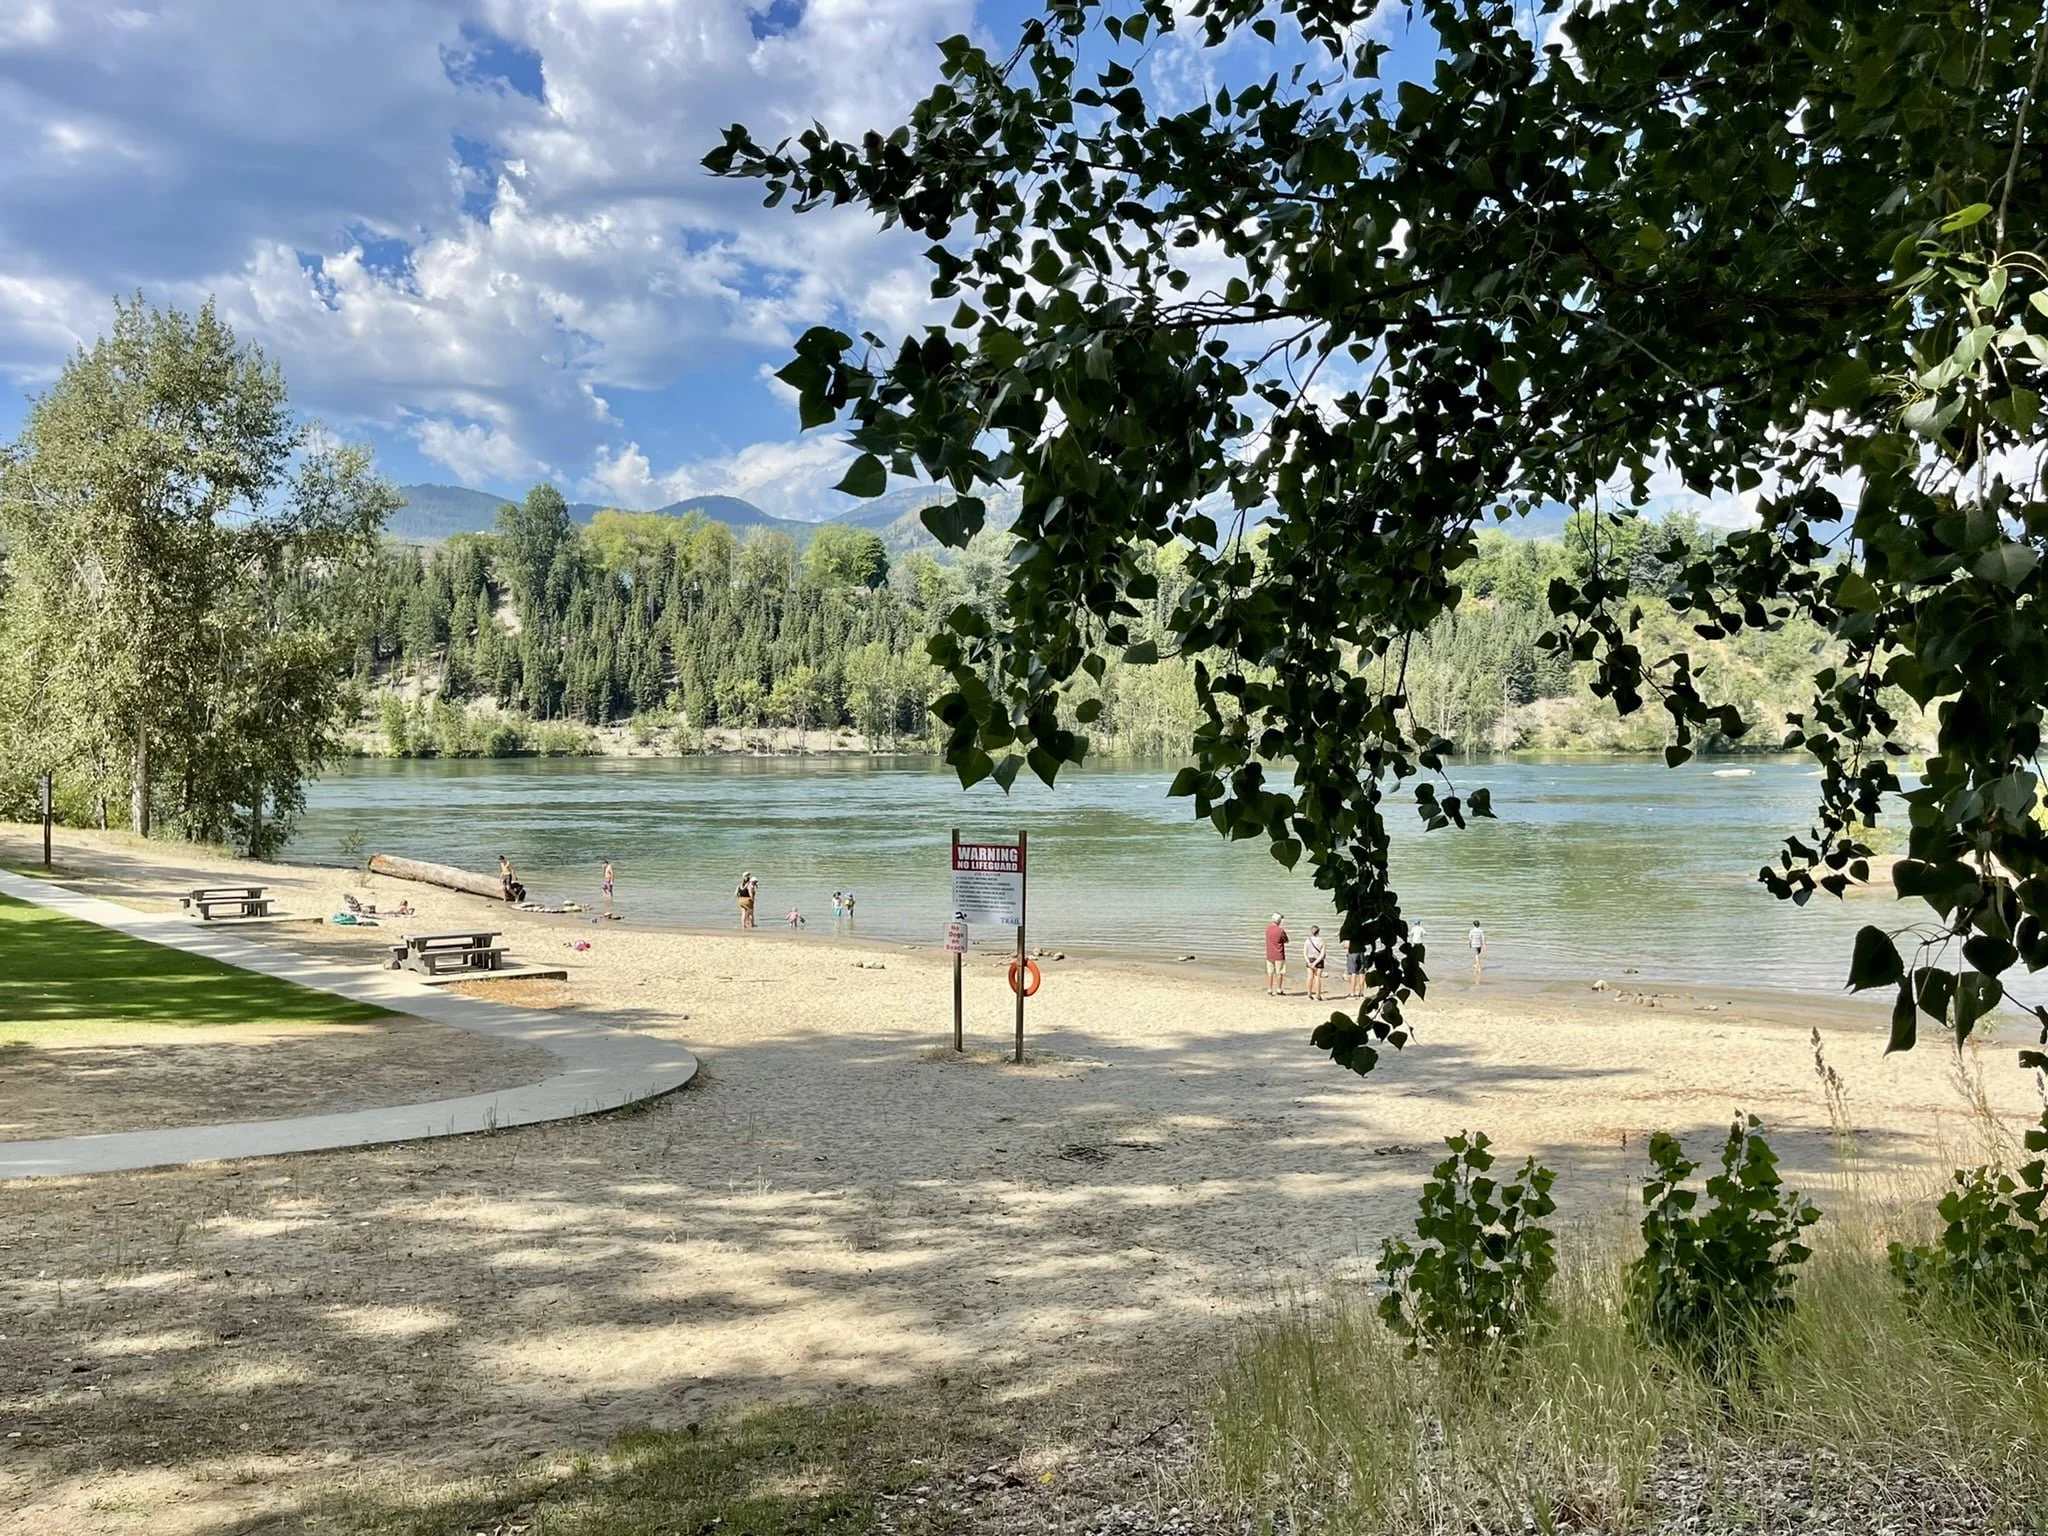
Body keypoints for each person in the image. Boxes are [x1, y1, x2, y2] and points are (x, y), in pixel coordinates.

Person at [1264, 912, 1289, 995]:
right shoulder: (1281, 930)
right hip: (1279, 955)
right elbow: (1286, 940)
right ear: (1279, 921)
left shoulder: (1267, 929)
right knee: (1280, 973)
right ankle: (1279, 989)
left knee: (1270, 972)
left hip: (1270, 954)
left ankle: (1269, 989)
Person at [1304, 924, 1327, 1000]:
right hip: (1318, 960)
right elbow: (1322, 954)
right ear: (1318, 932)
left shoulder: (1307, 940)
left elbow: (1304, 953)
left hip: (1310, 959)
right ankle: (1317, 995)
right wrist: (1315, 963)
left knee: (1309, 977)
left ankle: (1309, 995)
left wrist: (1308, 962)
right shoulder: (1321, 941)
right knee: (1317, 977)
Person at [1346, 933, 1367, 998]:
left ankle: (1352, 993)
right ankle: (1361, 993)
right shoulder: (1362, 932)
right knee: (1361, 972)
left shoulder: (1350, 933)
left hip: (1353, 952)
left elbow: (1346, 945)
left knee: (1353, 973)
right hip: (1361, 952)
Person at [1468, 918, 1486, 983]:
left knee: (1476, 955)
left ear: (1473, 925)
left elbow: (1470, 938)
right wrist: (1484, 945)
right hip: (1479, 944)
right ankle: (1476, 965)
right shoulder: (1481, 931)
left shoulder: (1472, 931)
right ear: (1479, 925)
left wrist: (1469, 944)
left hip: (1474, 944)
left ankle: (1478, 967)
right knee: (1478, 954)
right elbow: (1483, 938)